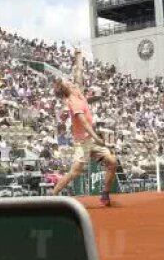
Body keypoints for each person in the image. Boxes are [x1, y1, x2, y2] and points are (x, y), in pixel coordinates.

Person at [50, 48, 119, 207]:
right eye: (68, 83)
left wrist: (78, 55)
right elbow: (85, 124)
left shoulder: (77, 93)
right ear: (66, 89)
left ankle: (105, 195)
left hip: (91, 140)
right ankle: (53, 196)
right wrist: (97, 138)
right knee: (74, 173)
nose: (71, 82)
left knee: (112, 162)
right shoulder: (73, 102)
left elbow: (79, 72)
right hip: (83, 142)